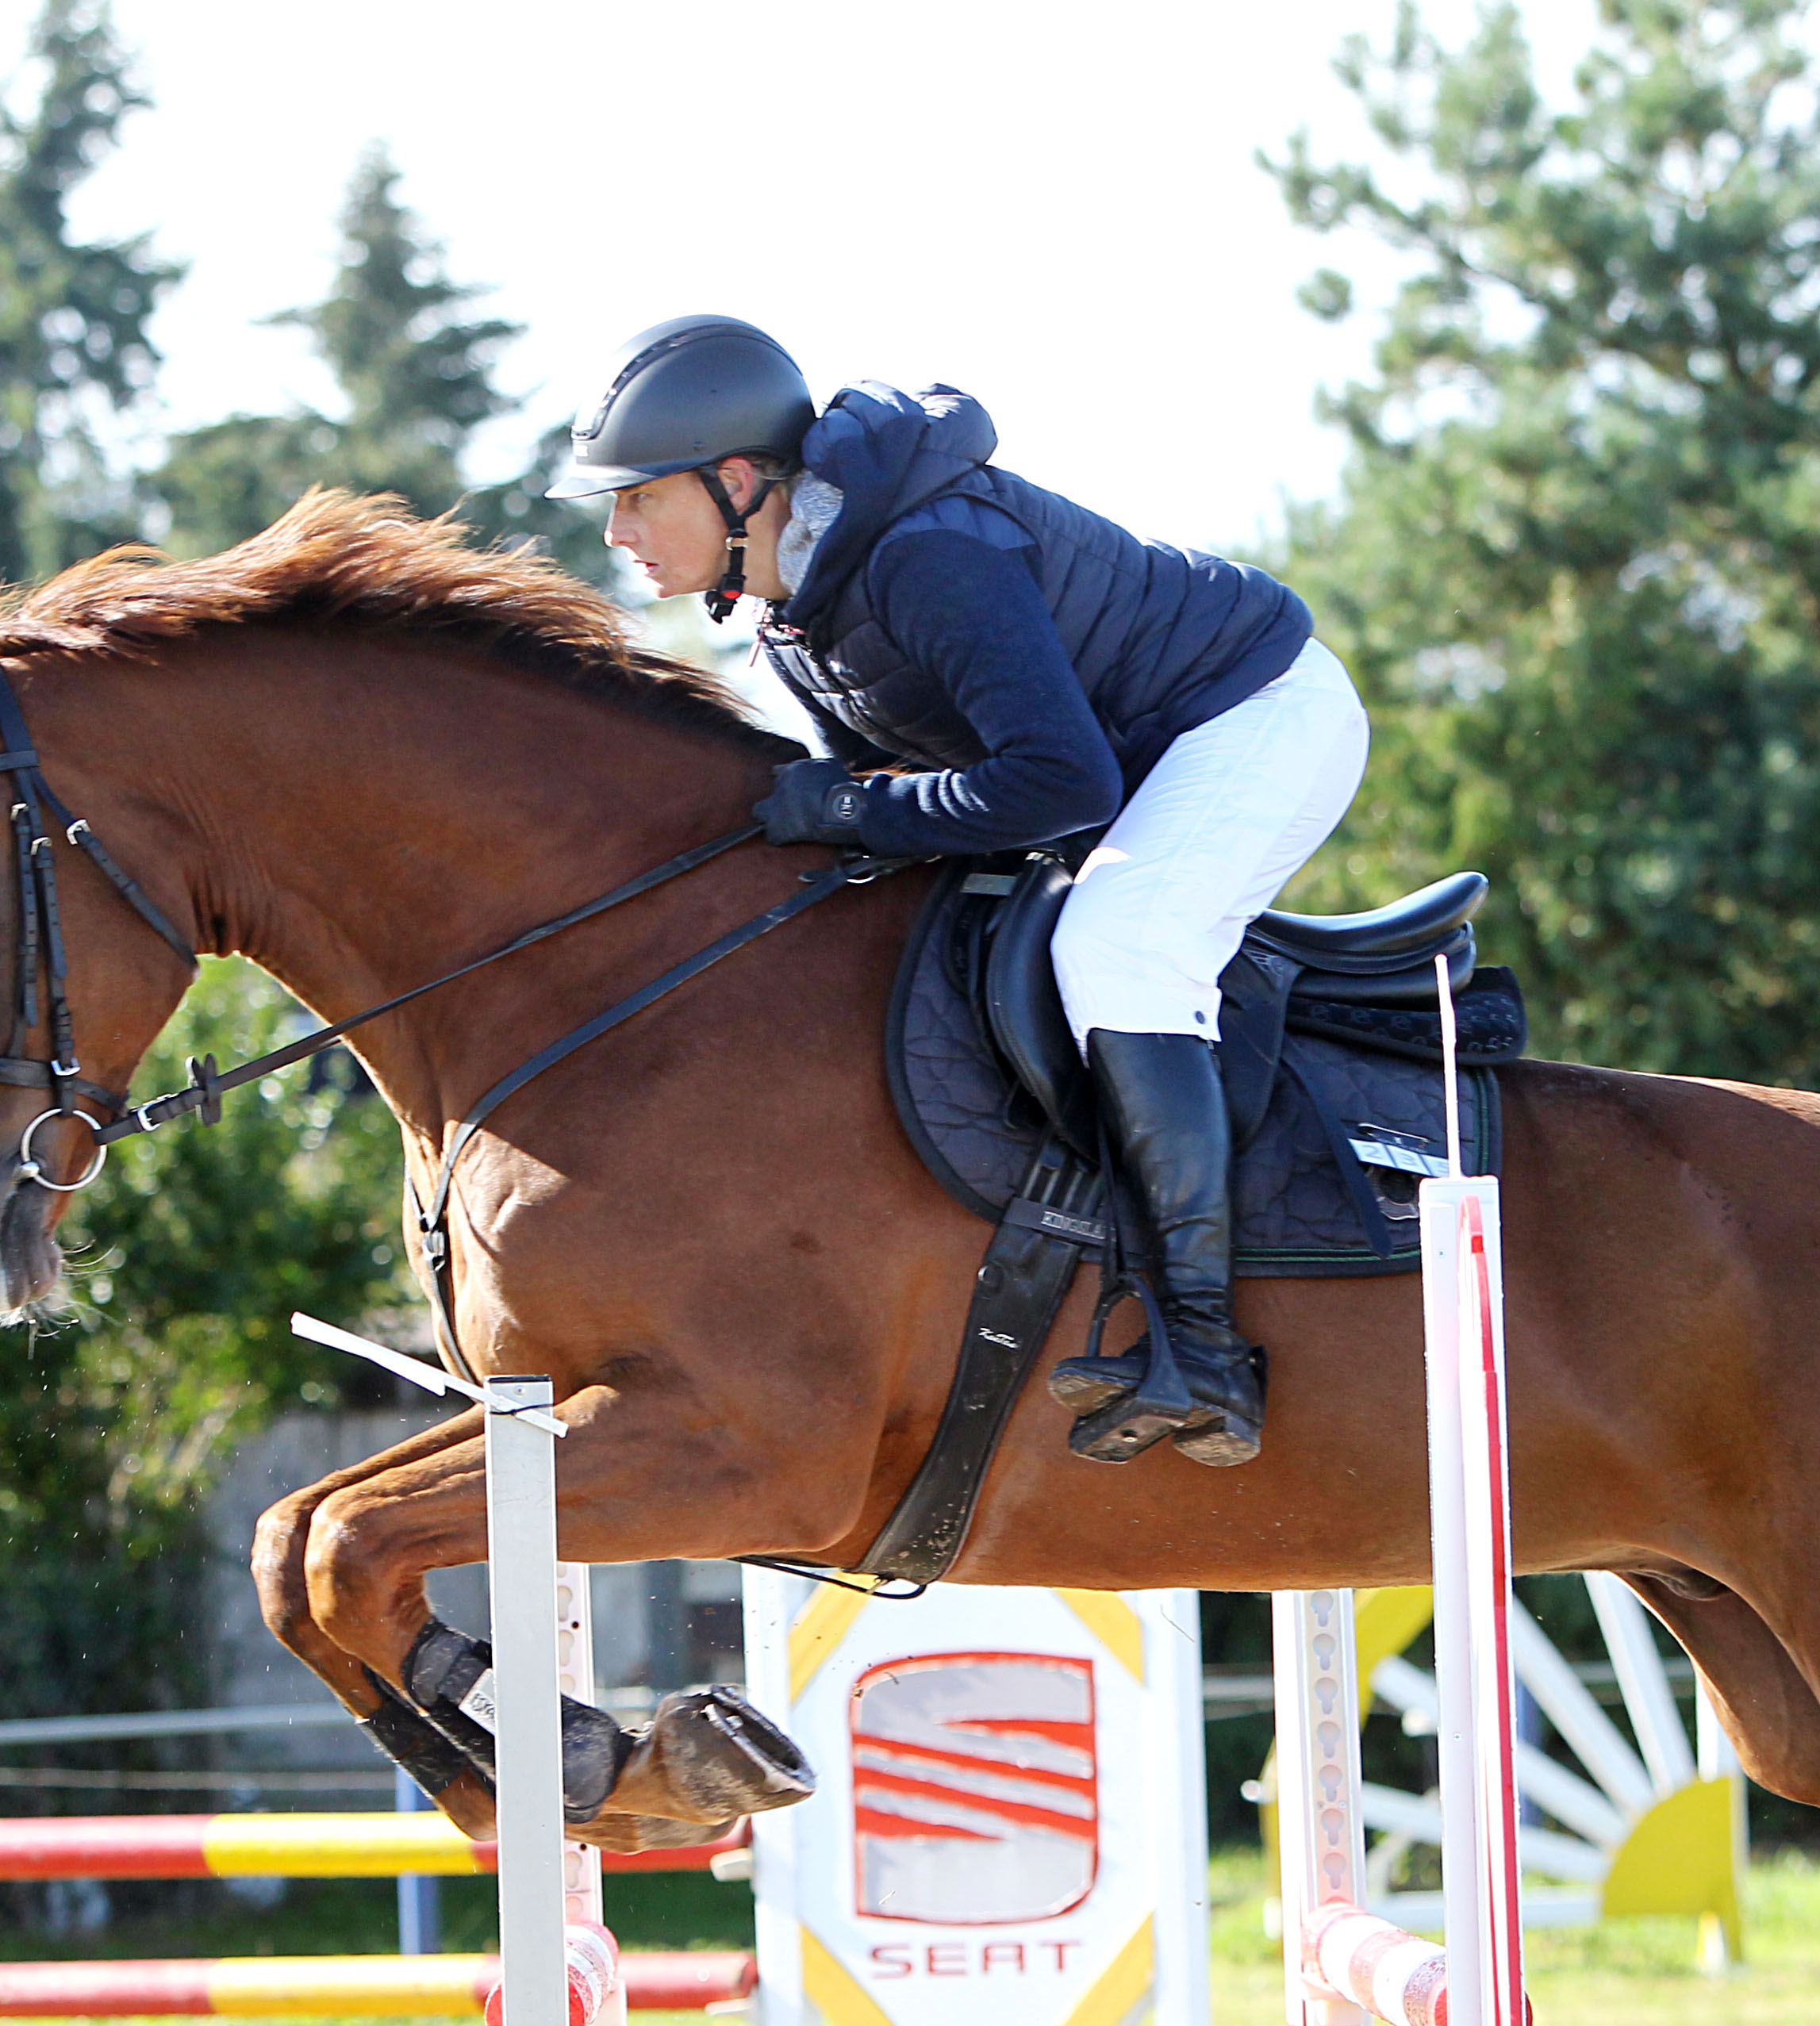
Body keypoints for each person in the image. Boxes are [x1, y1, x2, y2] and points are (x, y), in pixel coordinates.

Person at [550, 316, 1369, 1469]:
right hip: (1127, 765)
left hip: (1256, 712)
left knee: (1120, 946)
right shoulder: (786, 620)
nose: (617, 530)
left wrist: (853, 812)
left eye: (639, 498)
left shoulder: (929, 558)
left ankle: (1204, 1350)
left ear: (737, 484)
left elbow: (1053, 780)